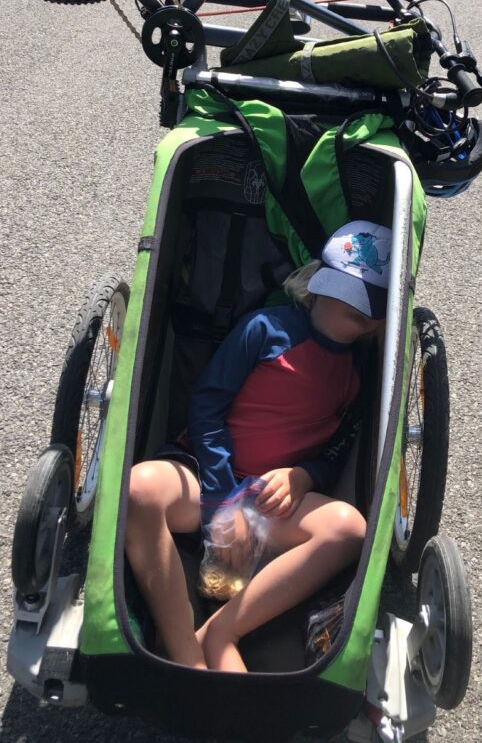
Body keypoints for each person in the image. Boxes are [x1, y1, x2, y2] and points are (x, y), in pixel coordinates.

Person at [124, 220, 392, 672]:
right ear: (321, 286)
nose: (364, 316)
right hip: (205, 474)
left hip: (272, 496)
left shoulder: (361, 370)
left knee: (349, 529)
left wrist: (304, 475)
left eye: (372, 310)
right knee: (137, 490)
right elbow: (206, 406)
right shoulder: (265, 329)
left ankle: (222, 631)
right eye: (353, 299)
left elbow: (340, 444)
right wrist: (224, 500)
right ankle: (188, 659)